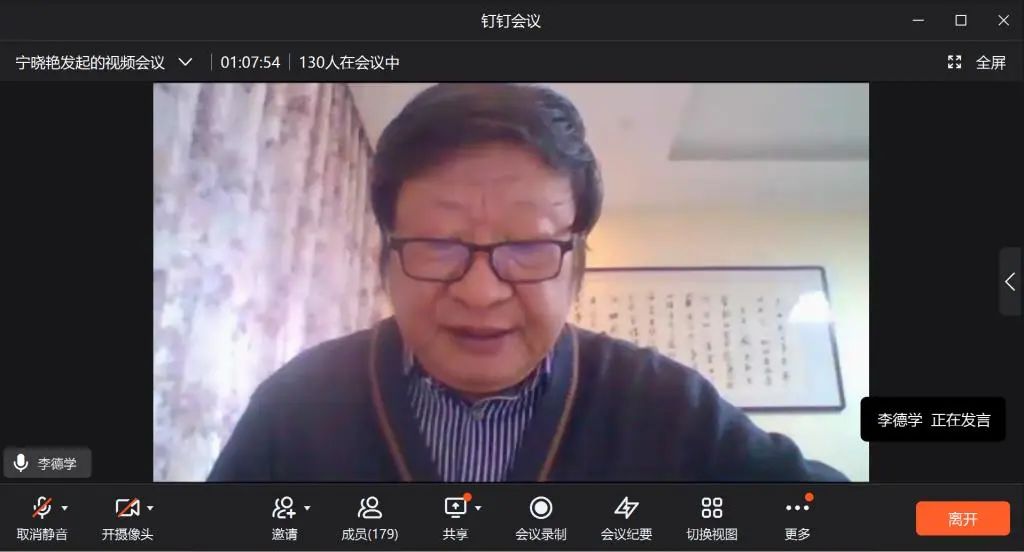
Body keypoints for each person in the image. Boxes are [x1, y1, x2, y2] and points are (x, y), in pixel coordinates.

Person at [207, 83, 847, 482]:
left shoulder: (666, 406)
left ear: (577, 265)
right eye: (438, 244)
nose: (480, 292)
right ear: (384, 258)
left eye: (527, 247)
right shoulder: (295, 407)